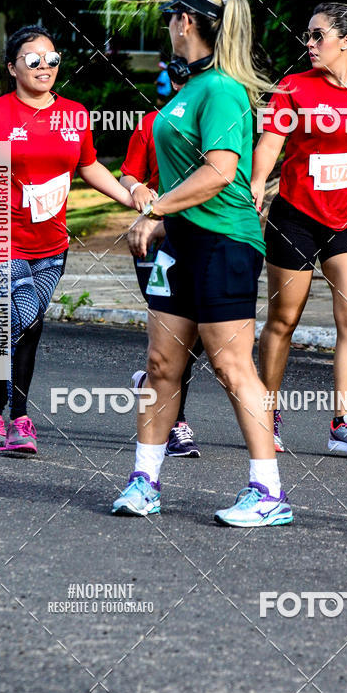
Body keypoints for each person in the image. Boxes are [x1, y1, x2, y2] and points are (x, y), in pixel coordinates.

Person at [111, 0, 293, 527]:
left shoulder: (223, 90)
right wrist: (154, 203)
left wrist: (156, 210)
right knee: (160, 364)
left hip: (224, 242)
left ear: (186, 23)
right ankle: (145, 480)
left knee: (232, 365)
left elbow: (219, 173)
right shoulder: (188, 89)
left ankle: (268, 492)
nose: (169, 24)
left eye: (172, 17)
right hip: (183, 244)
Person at [0, 25, 133, 455]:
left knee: (26, 327)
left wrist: (131, 197)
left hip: (51, 245)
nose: (44, 66)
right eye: (33, 59)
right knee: (24, 317)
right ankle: (13, 415)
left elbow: (89, 166)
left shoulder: (74, 114)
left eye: (52, 58)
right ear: (12, 67)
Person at [251, 2, 347, 455]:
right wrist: (257, 183)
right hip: (296, 215)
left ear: (345, 42)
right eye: (308, 36)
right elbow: (272, 140)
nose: (310, 44)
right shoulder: (294, 87)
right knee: (283, 320)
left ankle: (343, 422)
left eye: (318, 36)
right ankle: (266, 412)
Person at [120, 109, 203, 457]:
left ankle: (150, 384)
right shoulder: (154, 121)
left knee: (201, 335)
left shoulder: (222, 116)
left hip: (205, 236)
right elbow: (128, 174)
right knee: (173, 334)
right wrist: (137, 186)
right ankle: (176, 424)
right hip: (156, 238)